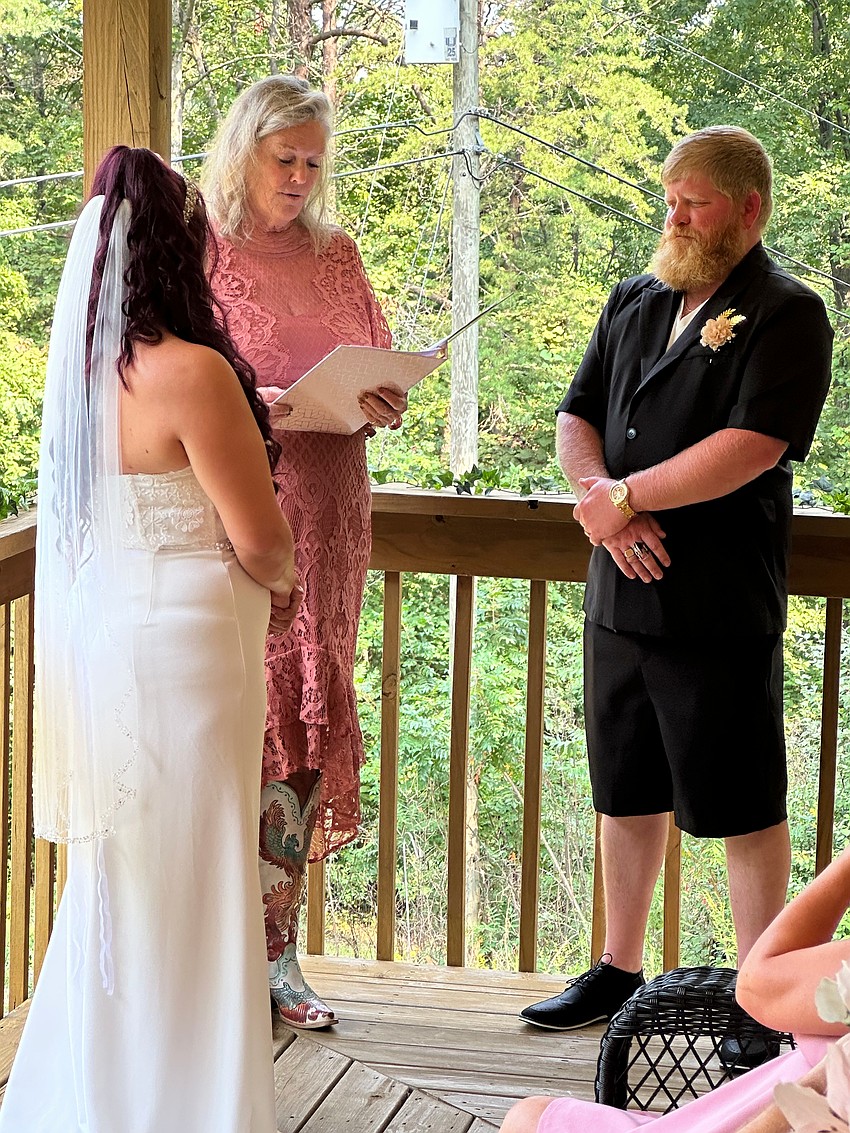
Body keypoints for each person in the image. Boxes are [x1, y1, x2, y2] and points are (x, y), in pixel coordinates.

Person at [0, 146, 301, 1131]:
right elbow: (263, 541)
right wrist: (287, 583)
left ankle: (104, 1095)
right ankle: (195, 1104)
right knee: (201, 871)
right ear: (180, 249)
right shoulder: (192, 372)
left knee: (126, 877)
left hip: (109, 650)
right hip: (193, 657)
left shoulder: (84, 378)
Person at [520, 126, 834, 1066]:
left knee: (740, 800)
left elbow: (754, 446)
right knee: (624, 788)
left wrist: (625, 497)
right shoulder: (635, 298)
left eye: (695, 203)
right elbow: (577, 414)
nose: (676, 218)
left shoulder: (787, 312)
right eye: (670, 200)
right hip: (619, 593)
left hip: (717, 601)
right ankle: (618, 968)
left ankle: (762, 1001)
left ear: (749, 208)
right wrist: (602, 504)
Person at [201, 74, 407, 1030]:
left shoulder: (339, 252)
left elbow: (375, 354)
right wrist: (258, 401)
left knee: (303, 720)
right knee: (232, 710)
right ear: (243, 147)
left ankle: (279, 952)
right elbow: (167, 374)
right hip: (235, 509)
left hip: (330, 512)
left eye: (315, 162)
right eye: (285, 157)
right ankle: (209, 951)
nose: (300, 176)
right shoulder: (197, 246)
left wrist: (382, 397)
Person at [501, 845, 850, 1132]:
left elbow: (758, 984)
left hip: (761, 1116)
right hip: (754, 1108)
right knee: (530, 1116)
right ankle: (617, 972)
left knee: (527, 1120)